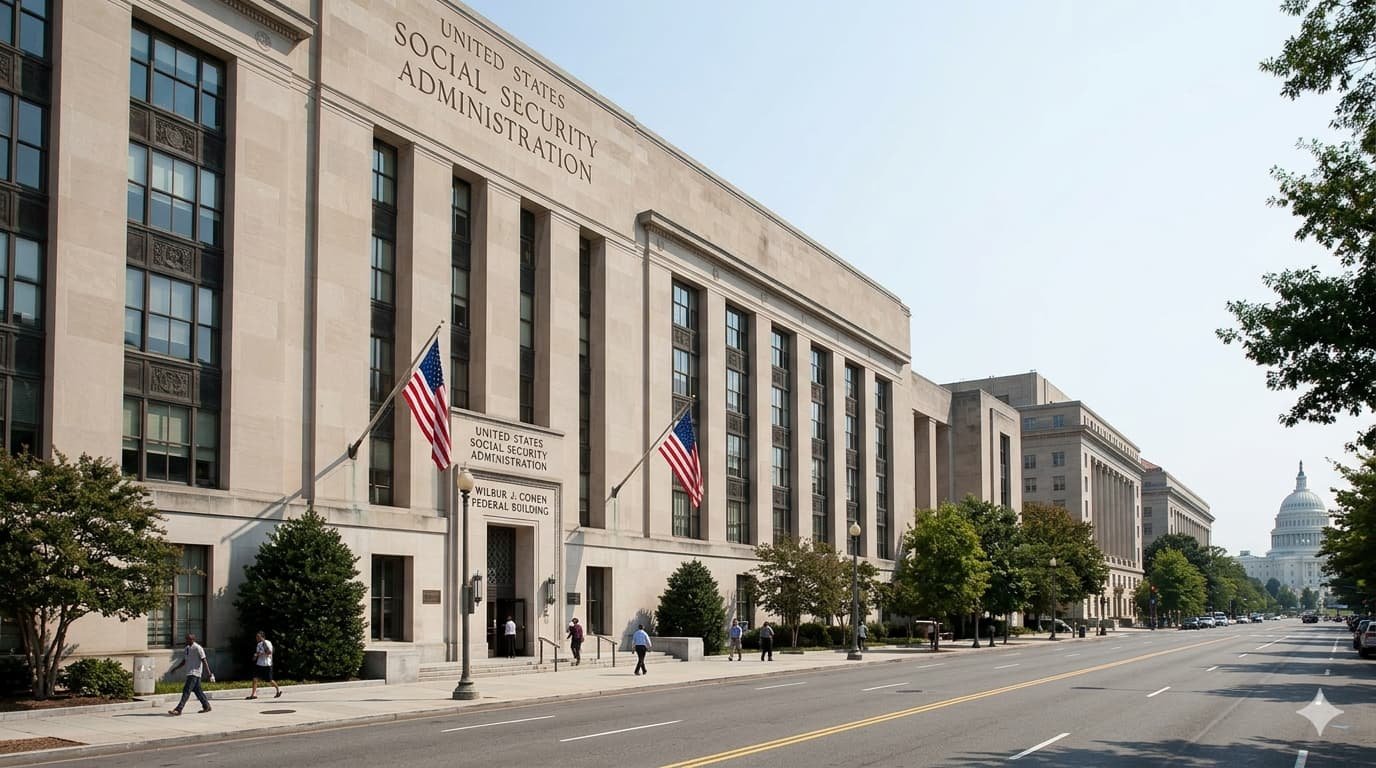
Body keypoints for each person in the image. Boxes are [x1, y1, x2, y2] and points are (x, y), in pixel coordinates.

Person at [168, 633, 214, 715]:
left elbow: (204, 661)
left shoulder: (198, 648)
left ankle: (179, 709)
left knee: (186, 691)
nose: (186, 640)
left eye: (188, 639)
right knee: (198, 691)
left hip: (195, 673)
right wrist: (176, 668)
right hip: (190, 672)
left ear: (193, 639)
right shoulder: (187, 649)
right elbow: (184, 661)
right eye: (186, 639)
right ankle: (206, 706)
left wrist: (209, 673)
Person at [246, 630, 282, 700]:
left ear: (262, 637)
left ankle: (278, 690)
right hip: (259, 664)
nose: (256, 638)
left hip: (267, 664)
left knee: (270, 681)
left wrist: (259, 654)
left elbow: (269, 652)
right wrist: (255, 656)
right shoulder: (258, 644)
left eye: (258, 636)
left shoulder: (268, 643)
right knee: (255, 679)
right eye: (256, 637)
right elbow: (257, 654)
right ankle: (253, 695)